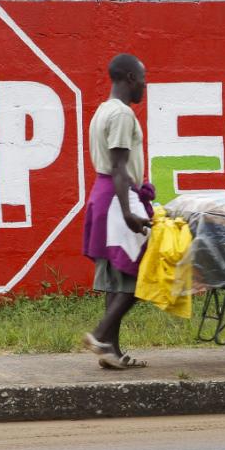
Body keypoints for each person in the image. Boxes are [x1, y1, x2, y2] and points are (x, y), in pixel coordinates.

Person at [81, 53, 152, 369]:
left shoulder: (102, 111)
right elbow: (120, 167)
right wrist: (127, 213)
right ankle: (100, 335)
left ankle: (111, 351)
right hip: (117, 200)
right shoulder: (122, 115)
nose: (145, 85)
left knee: (118, 277)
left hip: (105, 196)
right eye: (143, 77)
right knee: (142, 273)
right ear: (130, 78)